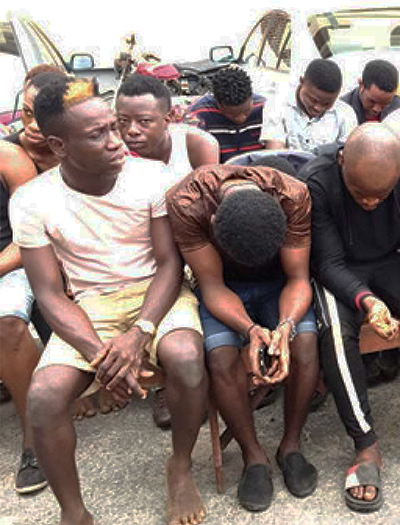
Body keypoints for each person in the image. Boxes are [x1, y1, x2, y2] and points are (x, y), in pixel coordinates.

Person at [12, 77, 208, 525]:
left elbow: (167, 264)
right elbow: (47, 291)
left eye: (113, 127)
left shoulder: (154, 179)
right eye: (98, 134)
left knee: (186, 358)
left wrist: (140, 332)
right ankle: (74, 512)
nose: (117, 140)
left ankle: (179, 467)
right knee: (43, 397)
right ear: (60, 146)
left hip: (155, 294)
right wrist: (100, 356)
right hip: (91, 305)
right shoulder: (31, 200)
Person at [302, 124, 400, 512]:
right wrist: (367, 301)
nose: (371, 203)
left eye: (381, 195)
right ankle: (365, 445)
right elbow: (326, 262)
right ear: (342, 163)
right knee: (336, 330)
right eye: (360, 194)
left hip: (393, 262)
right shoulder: (317, 181)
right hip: (339, 268)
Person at [165, 162, 321, 512]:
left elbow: (298, 278)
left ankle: (291, 446)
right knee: (221, 358)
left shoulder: (293, 196)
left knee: (305, 344)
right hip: (225, 285)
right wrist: (249, 331)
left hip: (278, 281)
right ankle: (254, 456)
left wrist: (283, 329)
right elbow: (212, 284)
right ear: (215, 224)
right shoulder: (187, 203)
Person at [115, 74, 219, 429]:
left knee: (208, 288)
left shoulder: (195, 144)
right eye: (122, 122)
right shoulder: (114, 155)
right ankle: (169, 381)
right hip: (141, 247)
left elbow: (208, 207)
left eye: (143, 121)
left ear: (170, 117)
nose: (130, 131)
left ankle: (202, 377)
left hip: (193, 241)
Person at [0, 66, 65, 496]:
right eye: (25, 114)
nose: (32, 127)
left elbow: (31, 237)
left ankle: (33, 438)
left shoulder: (10, 159)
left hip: (18, 258)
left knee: (5, 320)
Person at [116, 74, 219, 182]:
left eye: (144, 121)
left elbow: (209, 193)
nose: (132, 130)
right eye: (123, 120)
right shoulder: (113, 150)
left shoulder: (196, 144)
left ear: (168, 118)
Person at [261, 58, 357, 152]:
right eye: (313, 100)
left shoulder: (345, 114)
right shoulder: (277, 105)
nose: (318, 108)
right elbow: (276, 154)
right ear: (302, 82)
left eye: (327, 104)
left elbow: (348, 155)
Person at [183, 66, 265, 163]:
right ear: (217, 103)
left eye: (246, 111)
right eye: (232, 115)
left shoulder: (265, 109)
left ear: (251, 97)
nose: (240, 119)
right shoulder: (198, 115)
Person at [340, 59, 400, 124]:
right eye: (372, 101)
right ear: (361, 85)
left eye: (385, 104)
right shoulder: (341, 111)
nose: (377, 109)